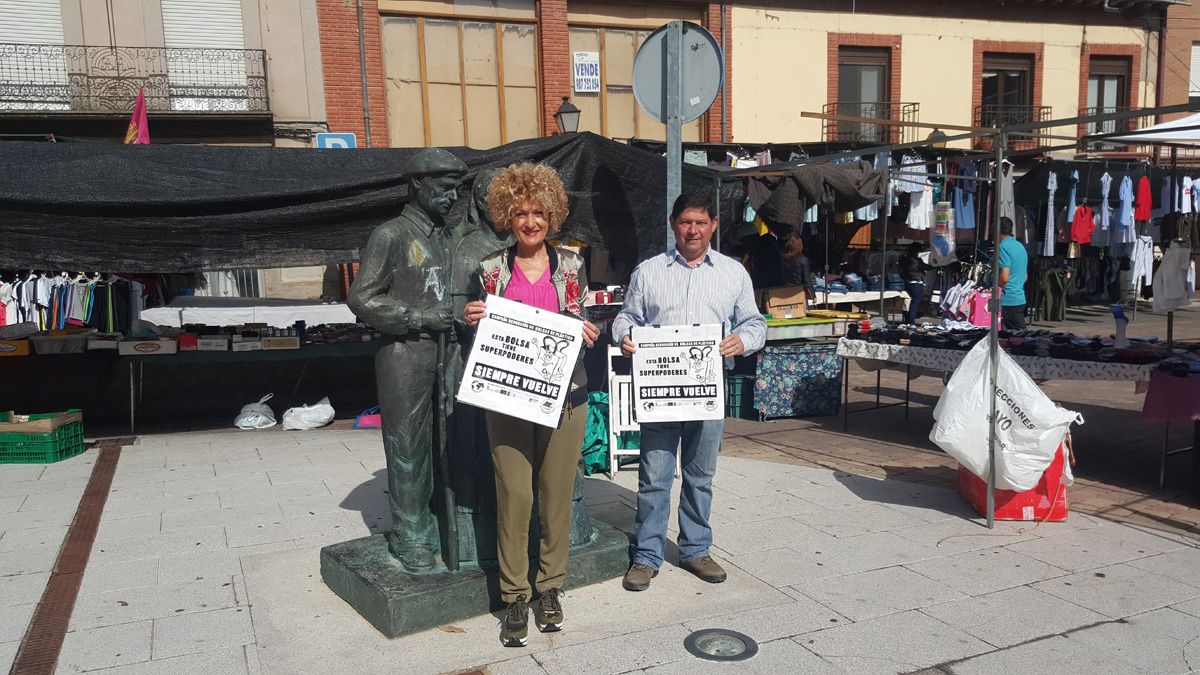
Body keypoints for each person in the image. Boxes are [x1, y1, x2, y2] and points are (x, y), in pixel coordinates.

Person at [462, 162, 601, 648]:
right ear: (507, 216)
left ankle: (551, 588)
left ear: (551, 215)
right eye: (520, 213)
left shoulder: (572, 266)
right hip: (506, 400)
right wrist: (472, 316)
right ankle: (515, 594)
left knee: (555, 496)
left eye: (538, 212)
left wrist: (588, 330)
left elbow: (583, 318)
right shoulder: (490, 270)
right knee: (516, 496)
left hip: (567, 399)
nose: (530, 222)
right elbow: (479, 331)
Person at [611, 192, 766, 592]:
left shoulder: (733, 273)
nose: (693, 230)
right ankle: (646, 556)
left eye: (700, 222)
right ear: (672, 224)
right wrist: (626, 334)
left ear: (713, 224)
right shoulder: (649, 271)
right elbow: (626, 316)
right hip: (660, 391)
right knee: (654, 476)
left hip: (707, 392)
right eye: (685, 222)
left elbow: (755, 322)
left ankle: (696, 549)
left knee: (701, 476)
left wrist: (741, 341)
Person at [347, 148, 467, 573]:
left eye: (456, 190)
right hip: (404, 355)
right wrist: (416, 317)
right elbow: (361, 298)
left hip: (447, 354)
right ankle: (412, 535)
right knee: (408, 448)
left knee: (446, 441)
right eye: (444, 188)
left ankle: (440, 524)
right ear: (417, 184)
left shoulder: (449, 237)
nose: (452, 198)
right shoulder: (391, 235)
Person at [998, 216, 1029, 330]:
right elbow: (1024, 276)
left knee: (1019, 337)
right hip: (1019, 297)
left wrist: (997, 287)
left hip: (1007, 299)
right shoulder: (1020, 246)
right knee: (1015, 337)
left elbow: (1004, 277)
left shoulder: (1003, 247)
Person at [900, 242, 930, 325]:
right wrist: (937, 265)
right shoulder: (916, 261)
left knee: (908, 301)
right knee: (915, 303)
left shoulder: (904, 259)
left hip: (906, 283)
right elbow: (928, 267)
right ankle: (911, 322)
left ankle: (907, 320)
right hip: (916, 283)